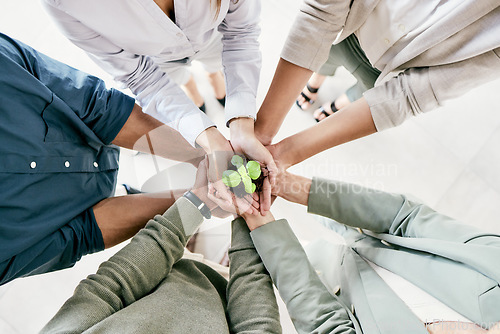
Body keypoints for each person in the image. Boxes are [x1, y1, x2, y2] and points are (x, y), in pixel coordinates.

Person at [0, 32, 253, 286]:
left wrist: (206, 153)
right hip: (89, 210)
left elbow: (99, 108)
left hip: (99, 134)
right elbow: (80, 235)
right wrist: (200, 197)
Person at [41, 0, 278, 213]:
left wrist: (241, 126)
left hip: (214, 36)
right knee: (179, 81)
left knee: (216, 63)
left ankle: (214, 76)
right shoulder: (67, 4)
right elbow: (142, 77)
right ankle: (193, 91)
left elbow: (241, 33)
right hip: (159, 60)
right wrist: (210, 139)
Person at [239, 171, 500, 333]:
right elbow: (405, 217)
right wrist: (287, 184)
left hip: (330, 282)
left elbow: (323, 323)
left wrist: (256, 217)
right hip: (370, 233)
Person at [40, 161, 282, 334]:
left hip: (169, 270)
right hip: (231, 291)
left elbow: (111, 287)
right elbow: (257, 325)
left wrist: (198, 202)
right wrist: (250, 220)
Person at [255, 0, 500, 166]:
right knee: (324, 62)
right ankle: (313, 86)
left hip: (387, 73)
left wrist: (283, 153)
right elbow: (322, 15)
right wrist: (263, 132)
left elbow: (408, 96)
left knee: (361, 93)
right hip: (347, 30)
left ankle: (335, 106)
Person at [295, 39, 380, 122]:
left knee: (373, 87)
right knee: (330, 51)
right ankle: (316, 84)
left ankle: (337, 104)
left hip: (380, 68)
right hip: (356, 39)